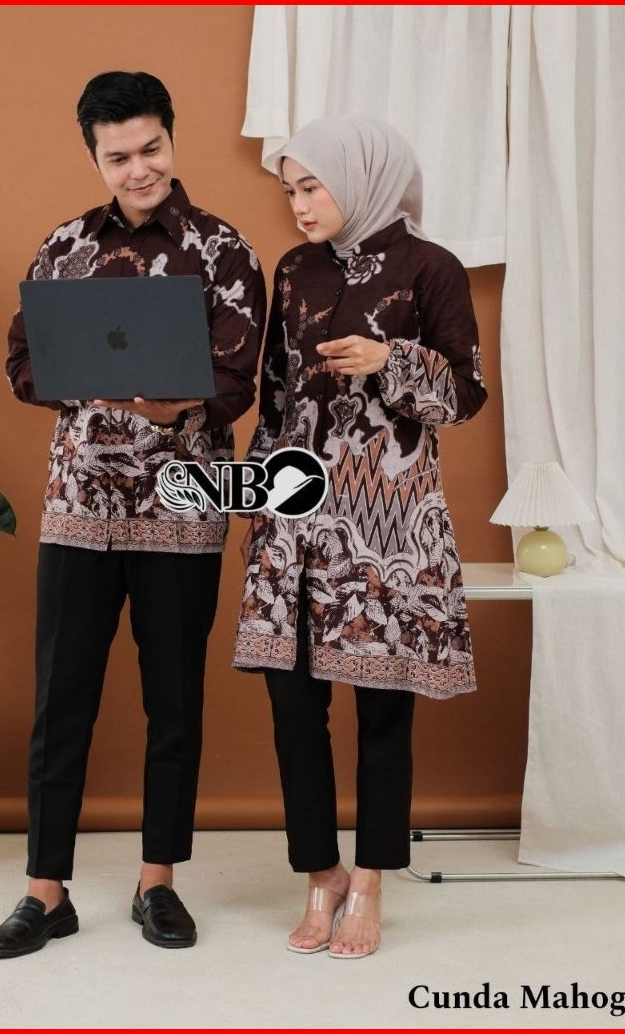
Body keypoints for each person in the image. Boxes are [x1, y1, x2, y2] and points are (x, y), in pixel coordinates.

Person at [0, 71, 265, 959]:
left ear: (171, 140)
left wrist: (179, 404)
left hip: (183, 505)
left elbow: (238, 378)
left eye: (151, 149)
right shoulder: (63, 246)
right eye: (118, 157)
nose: (138, 169)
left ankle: (158, 882)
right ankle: (44, 892)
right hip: (78, 504)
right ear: (94, 158)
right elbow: (22, 360)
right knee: (60, 699)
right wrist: (82, 384)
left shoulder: (224, 250)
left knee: (173, 701)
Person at [233, 114, 487, 959]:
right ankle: (321, 873)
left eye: (312, 186)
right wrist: (258, 508)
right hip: (296, 523)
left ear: (361, 178)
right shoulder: (294, 271)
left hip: (387, 527)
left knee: (382, 711)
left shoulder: (431, 268)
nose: (299, 206)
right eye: (290, 190)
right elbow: (275, 398)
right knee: (292, 706)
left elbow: (466, 395)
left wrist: (391, 362)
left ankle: (371, 880)